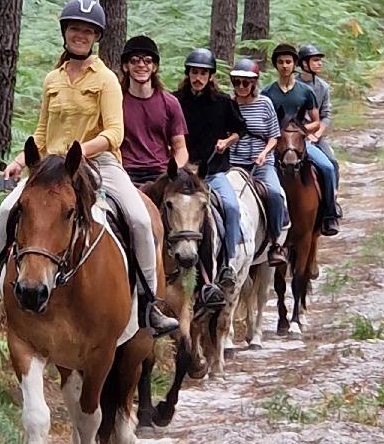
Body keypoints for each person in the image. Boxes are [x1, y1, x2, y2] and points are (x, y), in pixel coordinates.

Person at [0, 0, 179, 336]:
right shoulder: (52, 80)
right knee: (6, 209)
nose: (80, 35)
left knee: (138, 219)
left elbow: (115, 132)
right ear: (65, 32)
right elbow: (43, 132)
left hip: (98, 162)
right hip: (52, 165)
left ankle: (150, 302)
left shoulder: (106, 80)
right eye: (75, 29)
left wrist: (79, 151)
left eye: (87, 31)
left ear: (96, 37)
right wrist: (19, 160)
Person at [174, 47, 246, 290]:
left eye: (204, 73)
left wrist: (227, 141)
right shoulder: (175, 101)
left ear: (211, 76)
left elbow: (239, 129)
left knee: (232, 207)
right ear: (188, 74)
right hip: (182, 174)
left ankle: (228, 262)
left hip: (213, 172)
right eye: (195, 72)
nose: (199, 78)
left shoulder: (224, 102)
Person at [262, 43, 340, 236]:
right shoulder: (267, 93)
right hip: (275, 144)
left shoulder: (306, 92)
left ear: (294, 64)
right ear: (276, 65)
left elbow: (316, 120)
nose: (285, 66)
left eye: (288, 62)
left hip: (300, 141)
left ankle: (329, 213)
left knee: (328, 167)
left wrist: (301, 132)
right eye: (280, 62)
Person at [227, 58, 287, 267]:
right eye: (237, 82)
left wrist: (264, 153)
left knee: (274, 193)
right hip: (233, 163)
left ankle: (276, 242)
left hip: (261, 163)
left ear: (254, 84)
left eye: (246, 83)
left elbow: (274, 136)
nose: (241, 87)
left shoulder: (265, 104)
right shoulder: (228, 104)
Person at [119, 35, 189, 185]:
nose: (141, 65)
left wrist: (172, 172)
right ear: (126, 66)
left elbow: (181, 148)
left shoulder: (170, 103)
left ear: (154, 67)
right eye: (135, 60)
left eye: (148, 61)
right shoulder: (116, 101)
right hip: (126, 173)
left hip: (160, 174)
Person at [296, 43, 339, 181]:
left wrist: (317, 134)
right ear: (304, 63)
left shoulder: (323, 87)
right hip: (292, 136)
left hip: (315, 135)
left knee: (331, 165)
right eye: (315, 60)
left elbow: (326, 115)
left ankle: (331, 201)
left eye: (319, 60)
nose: (319, 63)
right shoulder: (292, 85)